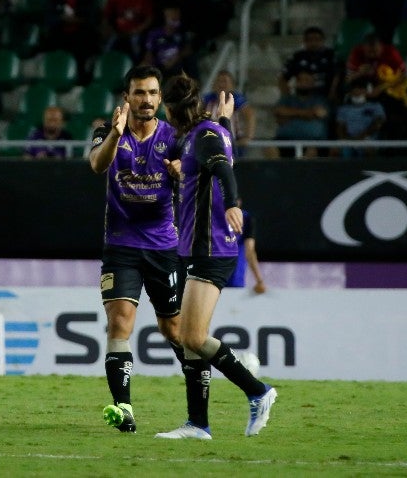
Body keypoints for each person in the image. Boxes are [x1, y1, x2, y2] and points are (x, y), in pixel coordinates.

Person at [88, 65, 210, 436]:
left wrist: (180, 171)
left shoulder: (174, 137)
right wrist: (115, 134)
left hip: (163, 246)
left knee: (174, 329)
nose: (147, 100)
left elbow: (195, 175)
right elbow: (98, 165)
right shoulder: (107, 132)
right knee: (119, 321)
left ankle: (197, 402)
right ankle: (124, 407)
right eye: (139, 92)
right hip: (121, 245)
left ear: (160, 98)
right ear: (127, 97)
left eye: (153, 93)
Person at [155, 74, 276, 439]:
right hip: (194, 246)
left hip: (210, 247)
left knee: (192, 337)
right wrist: (224, 121)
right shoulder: (206, 133)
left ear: (171, 109)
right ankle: (198, 423)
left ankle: (258, 390)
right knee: (187, 338)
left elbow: (222, 167)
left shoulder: (203, 136)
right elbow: (220, 153)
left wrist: (233, 205)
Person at [203, 69, 256, 157]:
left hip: (232, 144)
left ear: (232, 85)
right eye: (219, 81)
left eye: (225, 81)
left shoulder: (236, 99)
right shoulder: (207, 99)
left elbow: (250, 115)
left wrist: (248, 137)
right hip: (210, 144)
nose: (221, 84)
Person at [225, 198, 266, 294]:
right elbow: (250, 252)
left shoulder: (247, 219)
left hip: (215, 278)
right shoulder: (246, 218)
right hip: (232, 280)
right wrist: (259, 280)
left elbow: (249, 251)